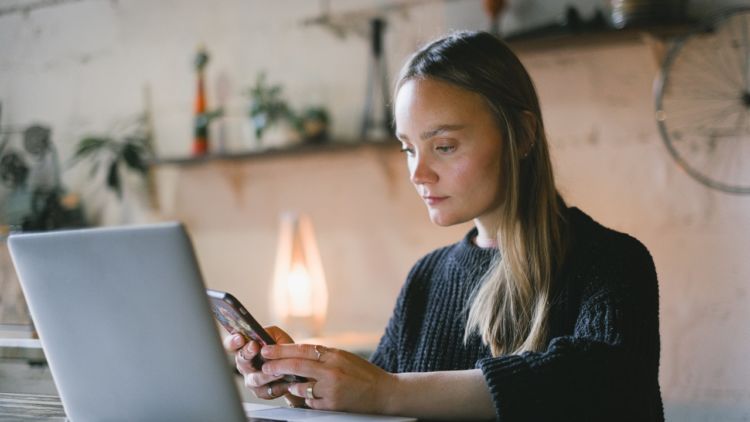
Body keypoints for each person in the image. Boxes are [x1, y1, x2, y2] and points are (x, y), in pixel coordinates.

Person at [224, 30, 663, 421]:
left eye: (445, 146)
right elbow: (378, 404)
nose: (419, 173)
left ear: (524, 135)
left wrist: (387, 391)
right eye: (408, 148)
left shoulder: (612, 261)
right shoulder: (426, 279)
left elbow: (602, 383)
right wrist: (305, 383)